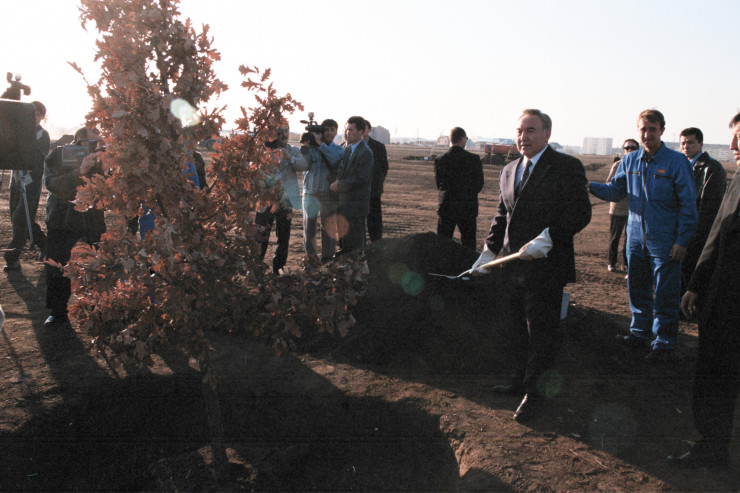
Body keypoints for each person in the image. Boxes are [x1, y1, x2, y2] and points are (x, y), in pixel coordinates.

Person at [466, 109, 591, 422]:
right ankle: (519, 380)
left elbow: (580, 213)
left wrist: (550, 237)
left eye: (531, 131)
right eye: (519, 131)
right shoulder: (509, 169)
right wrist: (489, 250)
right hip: (513, 264)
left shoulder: (566, 167)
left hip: (546, 265)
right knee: (515, 328)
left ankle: (535, 395)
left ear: (547, 133)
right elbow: (502, 214)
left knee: (542, 333)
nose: (523, 137)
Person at [590, 109, 697, 363]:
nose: (647, 135)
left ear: (662, 130)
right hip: (636, 238)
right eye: (643, 130)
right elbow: (615, 191)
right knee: (637, 289)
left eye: (652, 129)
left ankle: (664, 342)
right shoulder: (630, 161)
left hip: (665, 240)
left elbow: (688, 206)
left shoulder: (676, 162)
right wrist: (588, 186)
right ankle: (639, 333)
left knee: (665, 293)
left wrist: (682, 240)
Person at [667, 113, 740, 468]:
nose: (733, 144)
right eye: (733, 136)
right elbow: (716, 235)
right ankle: (712, 448)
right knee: (714, 378)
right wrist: (695, 285)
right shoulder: (738, 179)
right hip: (723, 304)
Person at [43, 126, 107, 329]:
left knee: (96, 265)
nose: (96, 147)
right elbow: (53, 184)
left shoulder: (103, 158)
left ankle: (96, 310)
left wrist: (104, 166)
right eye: (92, 143)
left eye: (99, 143)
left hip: (91, 220)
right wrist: (79, 171)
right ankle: (57, 312)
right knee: (57, 266)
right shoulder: (58, 155)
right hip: (61, 220)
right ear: (80, 141)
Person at [678, 127, 726, 295]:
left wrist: (693, 237)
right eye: (683, 143)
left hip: (697, 236)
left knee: (692, 279)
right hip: (680, 232)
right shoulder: (681, 166)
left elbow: (709, 210)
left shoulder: (712, 168)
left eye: (690, 143)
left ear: (700, 143)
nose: (686, 147)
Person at [4, 101, 50, 271]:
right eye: (32, 114)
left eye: (38, 114)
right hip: (16, 182)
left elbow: (39, 160)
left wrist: (28, 176)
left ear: (42, 117)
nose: (34, 117)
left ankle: (12, 257)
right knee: (20, 218)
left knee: (20, 218)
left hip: (30, 183)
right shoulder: (19, 132)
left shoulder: (42, 135)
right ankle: (45, 245)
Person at [256, 124, 308, 274]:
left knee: (283, 237)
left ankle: (278, 269)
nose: (284, 134)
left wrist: (290, 159)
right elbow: (257, 172)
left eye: (286, 131)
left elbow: (304, 165)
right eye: (280, 131)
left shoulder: (294, 150)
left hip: (286, 201)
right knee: (261, 235)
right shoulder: (264, 151)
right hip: (266, 200)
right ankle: (256, 269)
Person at [434, 126, 484, 249]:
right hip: (467, 206)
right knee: (469, 244)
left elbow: (439, 185)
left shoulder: (440, 160)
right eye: (466, 138)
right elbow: (479, 184)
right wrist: (467, 194)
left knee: (442, 244)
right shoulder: (474, 159)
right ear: (462, 139)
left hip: (447, 206)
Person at [301, 119, 343, 263]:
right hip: (310, 193)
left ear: (336, 132)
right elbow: (304, 164)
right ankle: (311, 259)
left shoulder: (338, 150)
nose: (329, 133)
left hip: (328, 195)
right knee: (309, 229)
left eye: (332, 130)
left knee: (328, 229)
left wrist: (321, 145)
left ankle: (328, 259)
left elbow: (334, 160)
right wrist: (307, 145)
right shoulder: (312, 148)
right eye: (326, 130)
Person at [330, 116, 373, 255]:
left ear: (361, 131)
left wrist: (340, 185)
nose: (348, 133)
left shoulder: (365, 152)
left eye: (351, 130)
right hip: (344, 204)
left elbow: (361, 179)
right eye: (347, 129)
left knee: (356, 244)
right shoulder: (347, 149)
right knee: (345, 242)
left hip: (356, 205)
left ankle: (358, 266)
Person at [606, 139, 639, 273]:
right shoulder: (618, 165)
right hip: (618, 208)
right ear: (624, 150)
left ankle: (626, 264)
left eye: (633, 148)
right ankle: (611, 262)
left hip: (634, 209)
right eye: (627, 148)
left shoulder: (641, 165)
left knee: (630, 239)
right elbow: (609, 183)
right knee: (615, 237)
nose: (630, 150)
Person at [363, 120, 389, 242]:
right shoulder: (348, 146)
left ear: (369, 130)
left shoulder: (378, 147)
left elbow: (384, 167)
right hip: (355, 192)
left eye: (364, 128)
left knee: (374, 222)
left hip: (373, 191)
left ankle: (376, 246)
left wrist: (377, 183)